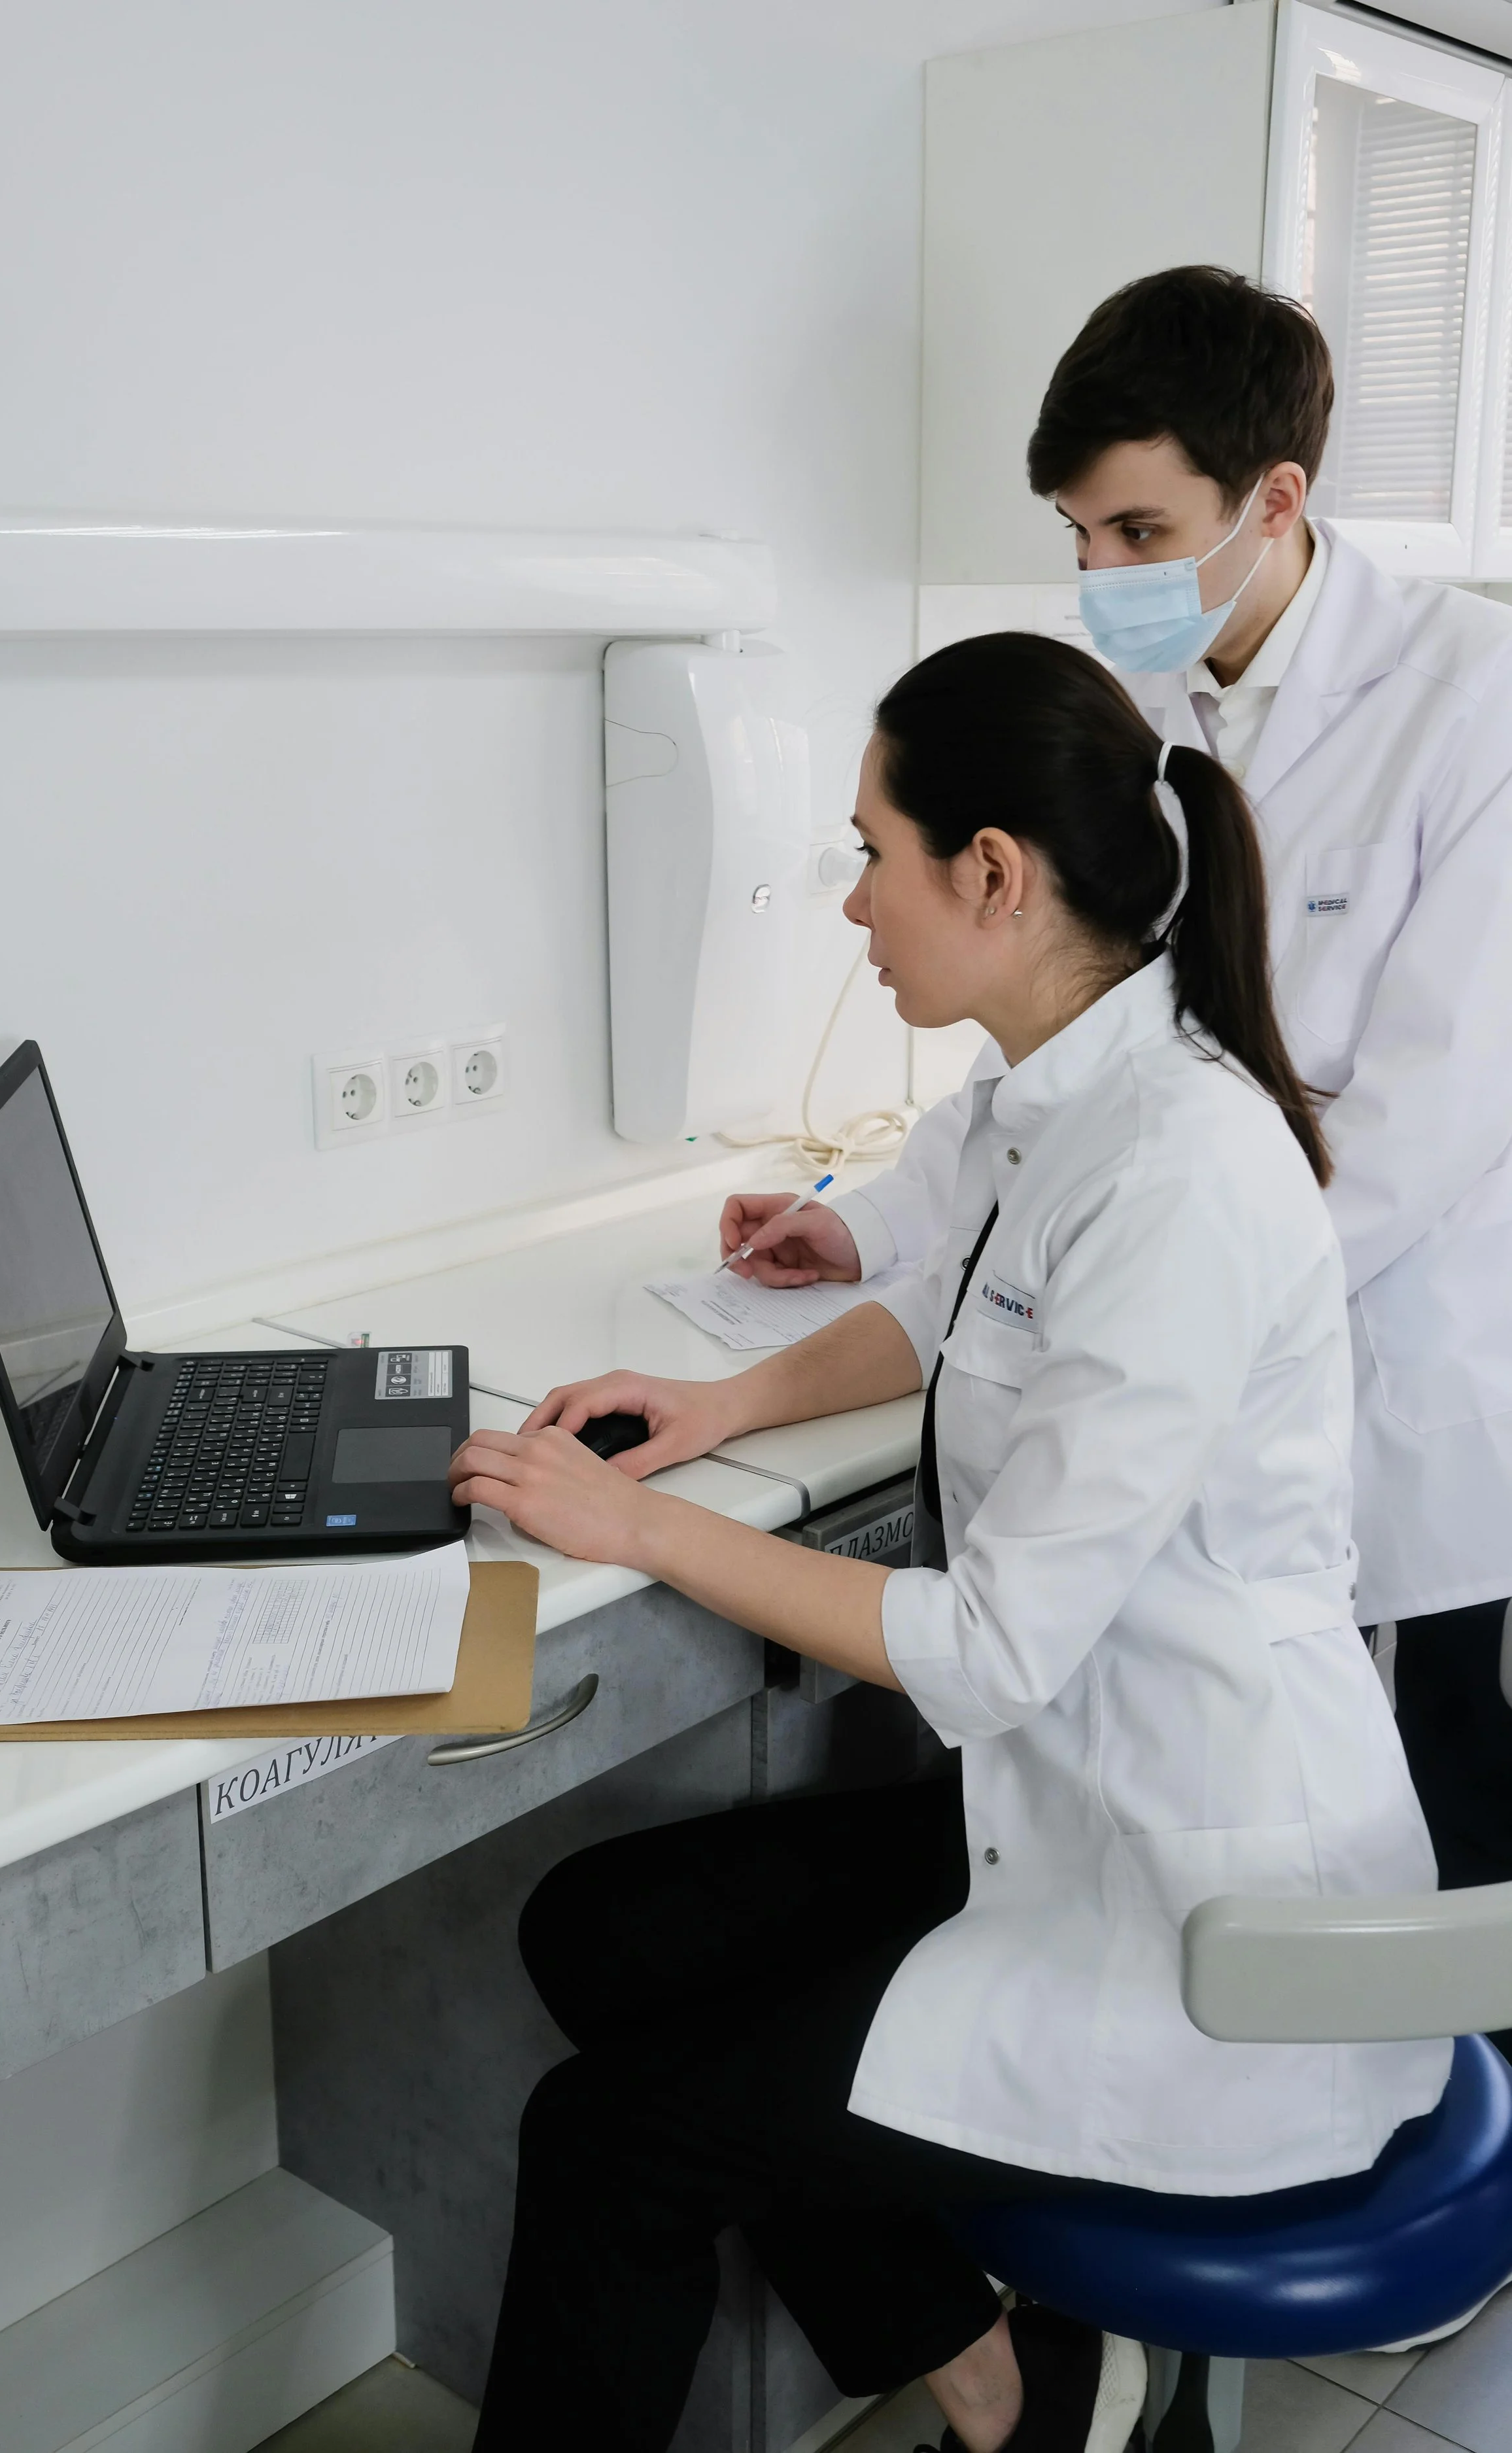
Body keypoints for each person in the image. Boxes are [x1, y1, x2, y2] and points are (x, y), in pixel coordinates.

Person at [450, 633, 1446, 2453]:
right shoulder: (1054, 1088)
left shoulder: (1178, 1168)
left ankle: (1014, 2389)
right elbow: (952, 1305)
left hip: (1213, 1921)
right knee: (599, 1926)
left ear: (989, 870)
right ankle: (1015, 2388)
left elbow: (988, 1645)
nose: (849, 903)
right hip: (1081, 1803)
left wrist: (637, 1523)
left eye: (867, 852)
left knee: (610, 2135)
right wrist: (713, 1411)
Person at [723, 269, 1512, 1919]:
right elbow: (1078, 1062)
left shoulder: (1471, 702)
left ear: (1274, 500)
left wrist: (1137, 1285)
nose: (1101, 578)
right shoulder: (1145, 708)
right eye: (1078, 536)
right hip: (1188, 1378)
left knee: (1423, 1888)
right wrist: (862, 1224)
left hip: (1401, 1397)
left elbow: (1425, 1128)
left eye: (1139, 535)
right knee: (1170, 1822)